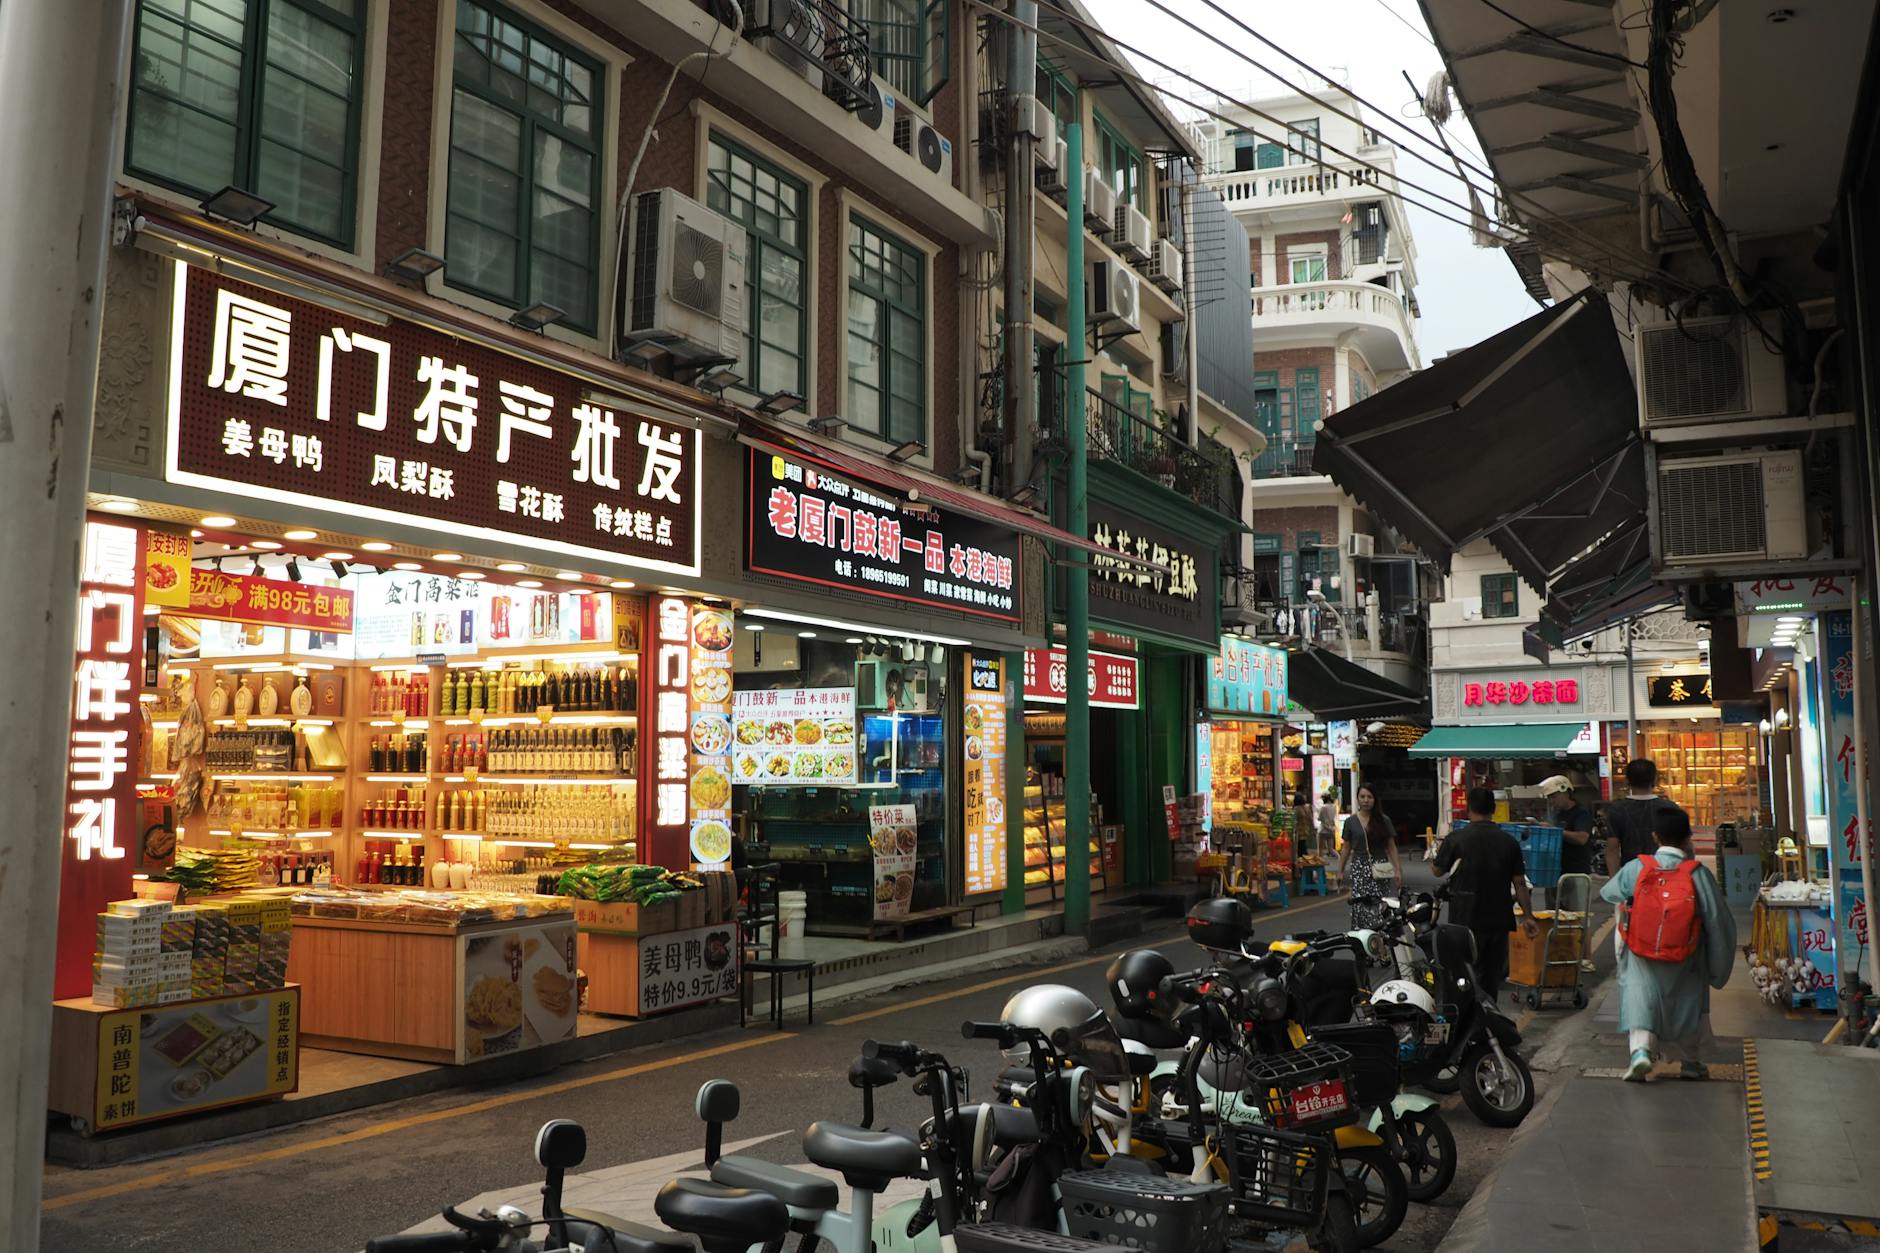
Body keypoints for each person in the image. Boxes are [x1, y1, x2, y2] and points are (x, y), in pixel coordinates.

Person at [1599, 806, 1736, 1082]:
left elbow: (1610, 894)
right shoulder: (1697, 874)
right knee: (1688, 1005)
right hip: (1687, 955)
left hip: (1641, 952)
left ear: (1655, 836)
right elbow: (1719, 922)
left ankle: (1640, 1052)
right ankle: (1691, 1063)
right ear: (1688, 837)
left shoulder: (1638, 868)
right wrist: (1717, 968)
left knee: (1641, 1000)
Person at [1435, 786, 1540, 1003]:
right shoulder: (1509, 842)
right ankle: (1489, 1015)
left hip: (1464, 918)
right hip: (1498, 919)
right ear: (1493, 809)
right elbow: (1520, 882)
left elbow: (1437, 871)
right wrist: (1528, 916)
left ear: (1469, 808)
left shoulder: (1456, 839)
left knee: (1465, 973)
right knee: (1491, 976)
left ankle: (1468, 1016)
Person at [1339, 783, 1404, 932]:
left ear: (1375, 799)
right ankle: (1361, 937)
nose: (1366, 800)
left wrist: (1398, 870)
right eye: (1362, 796)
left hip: (1380, 868)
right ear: (1357, 798)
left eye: (1369, 797)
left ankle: (1380, 936)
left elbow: (1391, 847)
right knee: (1360, 904)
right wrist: (1340, 871)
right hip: (1359, 868)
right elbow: (1346, 848)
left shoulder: (1383, 820)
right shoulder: (1350, 822)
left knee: (1380, 904)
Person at [1603, 758, 1676, 878]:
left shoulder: (1617, 809)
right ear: (1654, 779)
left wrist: (1614, 881)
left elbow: (1612, 849)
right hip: (1664, 875)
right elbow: (1684, 846)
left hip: (1631, 875)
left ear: (1627, 781)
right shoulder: (1670, 808)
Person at [1316, 790, 1339, 861]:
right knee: (1331, 849)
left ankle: (1320, 863)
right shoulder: (1334, 807)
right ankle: (1340, 858)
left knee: (1320, 850)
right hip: (1331, 829)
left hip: (1323, 830)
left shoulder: (1323, 807)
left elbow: (1319, 818)